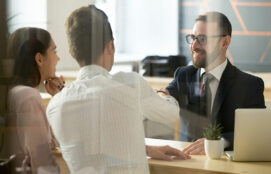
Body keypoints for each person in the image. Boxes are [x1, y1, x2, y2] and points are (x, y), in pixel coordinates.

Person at [46, 5, 190, 174]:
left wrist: (145, 148)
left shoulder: (55, 106)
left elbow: (95, 149)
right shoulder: (129, 84)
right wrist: (165, 95)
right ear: (110, 46)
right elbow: (170, 113)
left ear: (71, 52)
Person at [163, 11, 265, 154]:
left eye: (202, 39)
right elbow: (167, 95)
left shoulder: (249, 85)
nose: (194, 45)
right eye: (193, 38)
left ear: (225, 42)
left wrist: (220, 141)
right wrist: (162, 98)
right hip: (186, 162)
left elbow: (258, 132)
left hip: (225, 165)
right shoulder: (183, 75)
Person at [2, 27, 64, 174]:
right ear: (39, 59)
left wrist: (56, 97)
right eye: (54, 51)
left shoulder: (15, 92)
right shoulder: (29, 97)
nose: (58, 58)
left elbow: (51, 145)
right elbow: (42, 163)